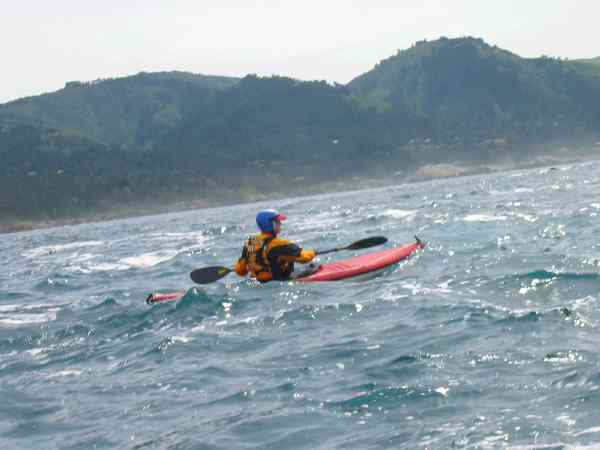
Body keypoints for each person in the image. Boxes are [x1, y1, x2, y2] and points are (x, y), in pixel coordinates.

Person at [234, 209, 316, 282]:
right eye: (278, 221)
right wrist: (313, 252)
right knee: (313, 267)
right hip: (279, 281)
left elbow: (240, 271)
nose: (280, 223)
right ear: (271, 224)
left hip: (257, 282)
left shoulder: (250, 243)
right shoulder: (279, 244)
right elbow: (304, 258)